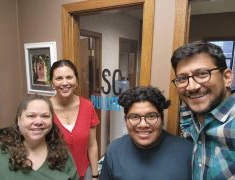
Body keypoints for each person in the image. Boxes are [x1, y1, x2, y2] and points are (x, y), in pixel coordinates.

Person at [171, 41, 235, 180]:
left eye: (202, 74)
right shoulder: (190, 114)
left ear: (227, 77)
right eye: (182, 78)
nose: (191, 87)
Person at [100, 86, 193, 180]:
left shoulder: (187, 152)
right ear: (125, 121)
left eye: (151, 116)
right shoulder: (115, 150)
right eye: (135, 117)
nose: (143, 125)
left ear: (162, 119)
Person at [0, 94, 79, 180]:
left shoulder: (63, 156)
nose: (38, 121)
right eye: (31, 116)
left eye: (45, 116)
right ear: (18, 120)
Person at [50, 60, 100, 180]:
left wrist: (95, 176)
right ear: (52, 83)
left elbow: (92, 145)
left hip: (85, 173)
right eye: (59, 78)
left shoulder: (88, 106)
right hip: (55, 175)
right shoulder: (44, 109)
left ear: (76, 81)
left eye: (69, 77)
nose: (65, 83)